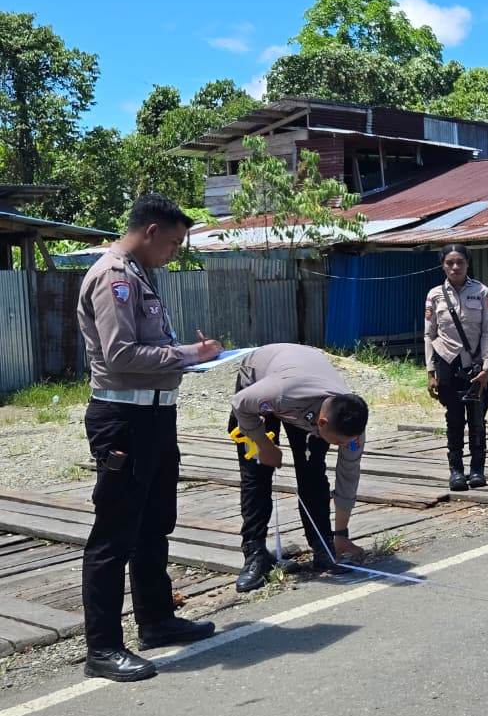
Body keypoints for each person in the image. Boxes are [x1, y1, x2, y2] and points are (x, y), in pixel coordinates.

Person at [75, 194, 223, 681]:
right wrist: (190, 355)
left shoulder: (139, 274)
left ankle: (156, 620)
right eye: (174, 243)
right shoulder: (113, 276)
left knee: (154, 523)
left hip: (156, 416)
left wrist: (186, 356)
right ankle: (102, 648)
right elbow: (120, 354)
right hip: (124, 419)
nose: (175, 253)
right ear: (152, 231)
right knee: (114, 533)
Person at [228, 344, 371, 592]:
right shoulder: (279, 393)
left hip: (305, 388)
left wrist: (341, 534)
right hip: (261, 380)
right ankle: (255, 554)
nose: (341, 447)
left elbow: (347, 476)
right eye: (337, 442)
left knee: (313, 473)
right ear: (322, 423)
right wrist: (264, 445)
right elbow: (240, 403)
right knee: (257, 473)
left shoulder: (351, 430)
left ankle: (323, 545)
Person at [425, 244, 488, 491]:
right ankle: (456, 471)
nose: (455, 267)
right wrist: (430, 372)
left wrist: (486, 368)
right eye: (450, 263)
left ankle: (477, 470)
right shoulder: (434, 295)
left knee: (477, 420)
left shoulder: (481, 292)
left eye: (460, 262)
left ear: (467, 264)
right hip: (448, 364)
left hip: (477, 365)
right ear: (443, 265)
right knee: (454, 419)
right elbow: (429, 334)